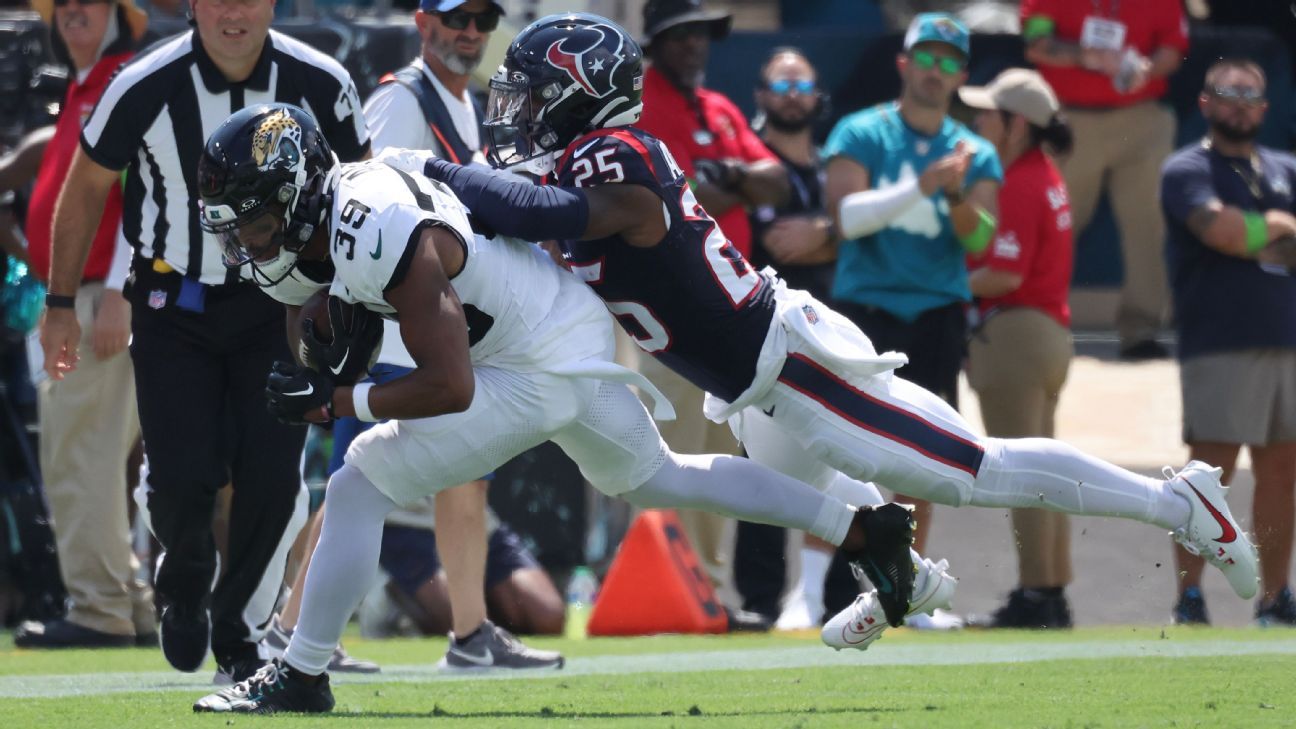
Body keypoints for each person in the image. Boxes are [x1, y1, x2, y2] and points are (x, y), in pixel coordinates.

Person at [419, 12, 1260, 651]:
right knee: (812, 501)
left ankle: (1178, 501)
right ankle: (903, 576)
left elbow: (549, 212)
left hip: (792, 365)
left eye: (532, 92)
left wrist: (431, 169)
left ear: (579, 94)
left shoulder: (617, 159)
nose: (516, 110)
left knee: (975, 468)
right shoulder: (577, 160)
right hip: (750, 387)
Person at [190, 102, 921, 714]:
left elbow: (451, 386)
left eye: (251, 223)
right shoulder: (325, 215)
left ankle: (304, 671)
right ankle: (862, 531)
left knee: (358, 478)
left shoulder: (373, 226)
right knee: (660, 478)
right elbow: (306, 298)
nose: (244, 244)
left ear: (299, 191)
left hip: (528, 358)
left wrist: (337, 397)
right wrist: (317, 355)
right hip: (559, 327)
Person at [39, 0, 370, 682]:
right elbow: (86, 185)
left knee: (273, 476)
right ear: (190, 3)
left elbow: (361, 189)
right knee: (184, 476)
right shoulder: (141, 82)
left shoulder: (320, 80)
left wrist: (357, 303)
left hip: (281, 302)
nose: (232, 11)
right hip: (173, 303)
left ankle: (238, 631)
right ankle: (184, 574)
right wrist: (61, 303)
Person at [283, 0, 562, 671]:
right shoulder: (404, 99)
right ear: (421, 21)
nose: (469, 31)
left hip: (436, 325)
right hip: (398, 330)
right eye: (455, 17)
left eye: (481, 20)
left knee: (461, 479)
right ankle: (290, 632)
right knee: (358, 480)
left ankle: (470, 633)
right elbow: (355, 198)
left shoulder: (458, 102)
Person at [821, 15, 1001, 606]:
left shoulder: (975, 152)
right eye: (926, 56)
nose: (936, 70)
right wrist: (921, 186)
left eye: (950, 61)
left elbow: (978, 241)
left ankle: (905, 586)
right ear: (903, 63)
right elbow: (845, 219)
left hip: (936, 314)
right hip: (864, 312)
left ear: (963, 75)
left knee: (924, 456)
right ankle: (822, 588)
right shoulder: (860, 131)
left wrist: (950, 192)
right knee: (841, 446)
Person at [631, 0, 792, 600]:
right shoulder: (643, 104)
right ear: (657, 42)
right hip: (667, 308)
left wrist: (732, 181)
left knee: (723, 454)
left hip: (728, 308)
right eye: (681, 36)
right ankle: (659, 584)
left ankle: (710, 590)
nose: (694, 46)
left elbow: (777, 178)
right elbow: (678, 210)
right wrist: (732, 183)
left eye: (701, 34)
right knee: (666, 454)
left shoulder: (718, 106)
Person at [4, 0, 151, 649]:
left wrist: (119, 287)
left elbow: (142, 195)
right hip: (84, 296)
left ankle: (97, 608)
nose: (72, 11)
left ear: (118, 13)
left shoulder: (118, 82)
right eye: (62, 4)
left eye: (88, 0)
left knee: (79, 458)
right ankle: (128, 601)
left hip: (99, 299)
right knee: (97, 459)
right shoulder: (90, 86)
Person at [1159, 58, 1296, 626]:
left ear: (1265, 109)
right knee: (1210, 473)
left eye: (1251, 95)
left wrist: (1253, 234)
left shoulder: (1287, 166)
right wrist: (1282, 229)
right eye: (1227, 92)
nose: (1239, 104)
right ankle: (1190, 597)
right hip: (1220, 340)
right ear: (1206, 103)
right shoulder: (1187, 169)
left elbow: (1241, 234)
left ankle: (1275, 598)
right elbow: (1219, 230)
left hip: (1287, 341)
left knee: (1284, 473)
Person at [735, 47, 865, 631]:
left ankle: (837, 591)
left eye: (802, 81)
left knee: (837, 452)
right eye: (780, 82)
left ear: (818, 94)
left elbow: (854, 233)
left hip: (831, 332)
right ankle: (759, 595)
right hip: (759, 334)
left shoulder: (835, 165)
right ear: (760, 94)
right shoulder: (748, 162)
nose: (792, 93)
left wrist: (825, 235)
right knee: (759, 459)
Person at [959, 68, 1078, 628]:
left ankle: (1036, 594)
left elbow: (1004, 274)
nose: (978, 121)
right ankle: (1050, 590)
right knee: (1043, 470)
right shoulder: (1043, 175)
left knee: (1023, 471)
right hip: (1045, 334)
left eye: (988, 113)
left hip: (1016, 335)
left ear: (1016, 125)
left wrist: (942, 283)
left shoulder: (1023, 183)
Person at [1021, 0, 1188, 360]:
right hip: (1068, 118)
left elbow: (1173, 49)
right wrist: (1087, 57)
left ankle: (1141, 332)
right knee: (1053, 224)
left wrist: (1145, 68)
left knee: (1148, 227)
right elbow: (1036, 43)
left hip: (1141, 119)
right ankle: (1034, 324)